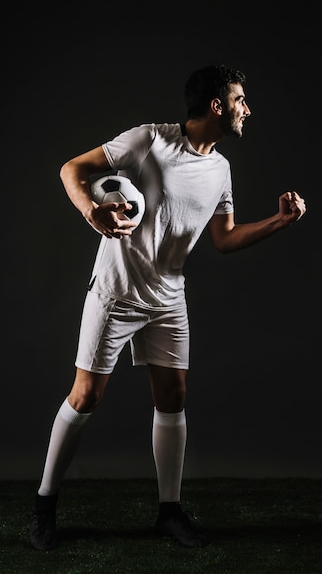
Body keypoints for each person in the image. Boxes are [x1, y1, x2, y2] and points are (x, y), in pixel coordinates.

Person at [29, 64, 307, 551]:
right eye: (241, 100)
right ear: (217, 105)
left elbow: (223, 238)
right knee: (86, 397)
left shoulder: (221, 168)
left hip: (168, 297)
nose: (248, 109)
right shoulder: (149, 140)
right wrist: (91, 210)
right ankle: (44, 507)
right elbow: (71, 169)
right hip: (116, 290)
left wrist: (279, 222)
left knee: (173, 397)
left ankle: (170, 512)